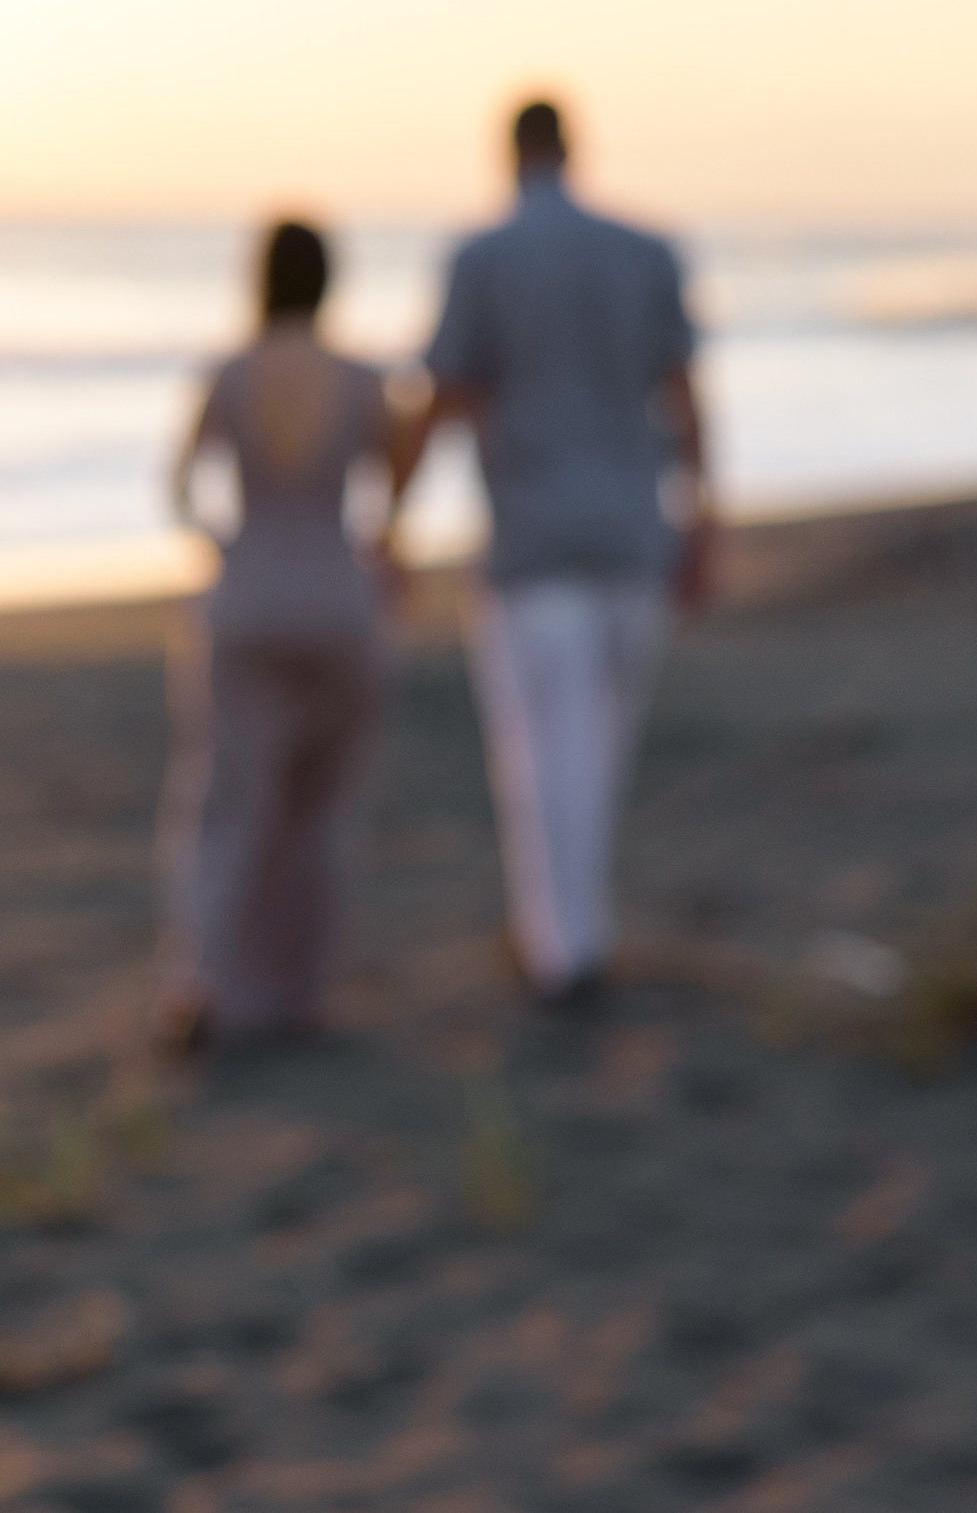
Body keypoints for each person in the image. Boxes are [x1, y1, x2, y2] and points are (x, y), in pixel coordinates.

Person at [388, 100, 712, 1004]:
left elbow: (443, 393)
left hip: (532, 535)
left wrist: (390, 522)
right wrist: (704, 517)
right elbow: (684, 394)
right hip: (629, 529)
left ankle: (558, 944)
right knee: (599, 742)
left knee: (542, 750)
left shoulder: (483, 256)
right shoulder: (646, 251)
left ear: (509, 155)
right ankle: (582, 928)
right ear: (573, 152)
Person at [156, 221, 400, 1047]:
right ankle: (299, 991)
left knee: (230, 801)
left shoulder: (229, 374)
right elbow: (395, 486)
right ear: (330, 281)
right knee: (317, 807)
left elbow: (182, 487)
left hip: (250, 597)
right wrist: (375, 548)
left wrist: (227, 545)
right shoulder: (365, 378)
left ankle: (210, 981)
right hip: (338, 597)